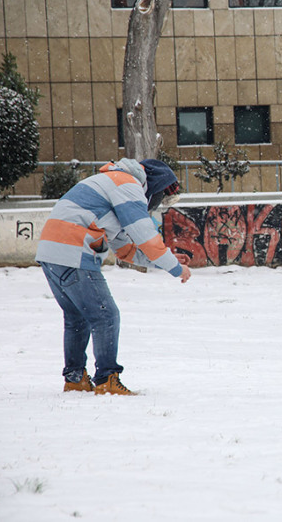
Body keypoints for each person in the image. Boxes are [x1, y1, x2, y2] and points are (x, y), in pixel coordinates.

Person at [36, 158, 191, 396]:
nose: (159, 203)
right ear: (157, 186)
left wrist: (164, 262)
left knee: (77, 318)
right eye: (163, 197)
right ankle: (107, 379)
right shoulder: (127, 184)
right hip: (74, 252)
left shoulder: (111, 183)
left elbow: (126, 249)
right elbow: (143, 233)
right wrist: (175, 268)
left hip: (51, 253)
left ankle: (75, 379)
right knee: (106, 315)